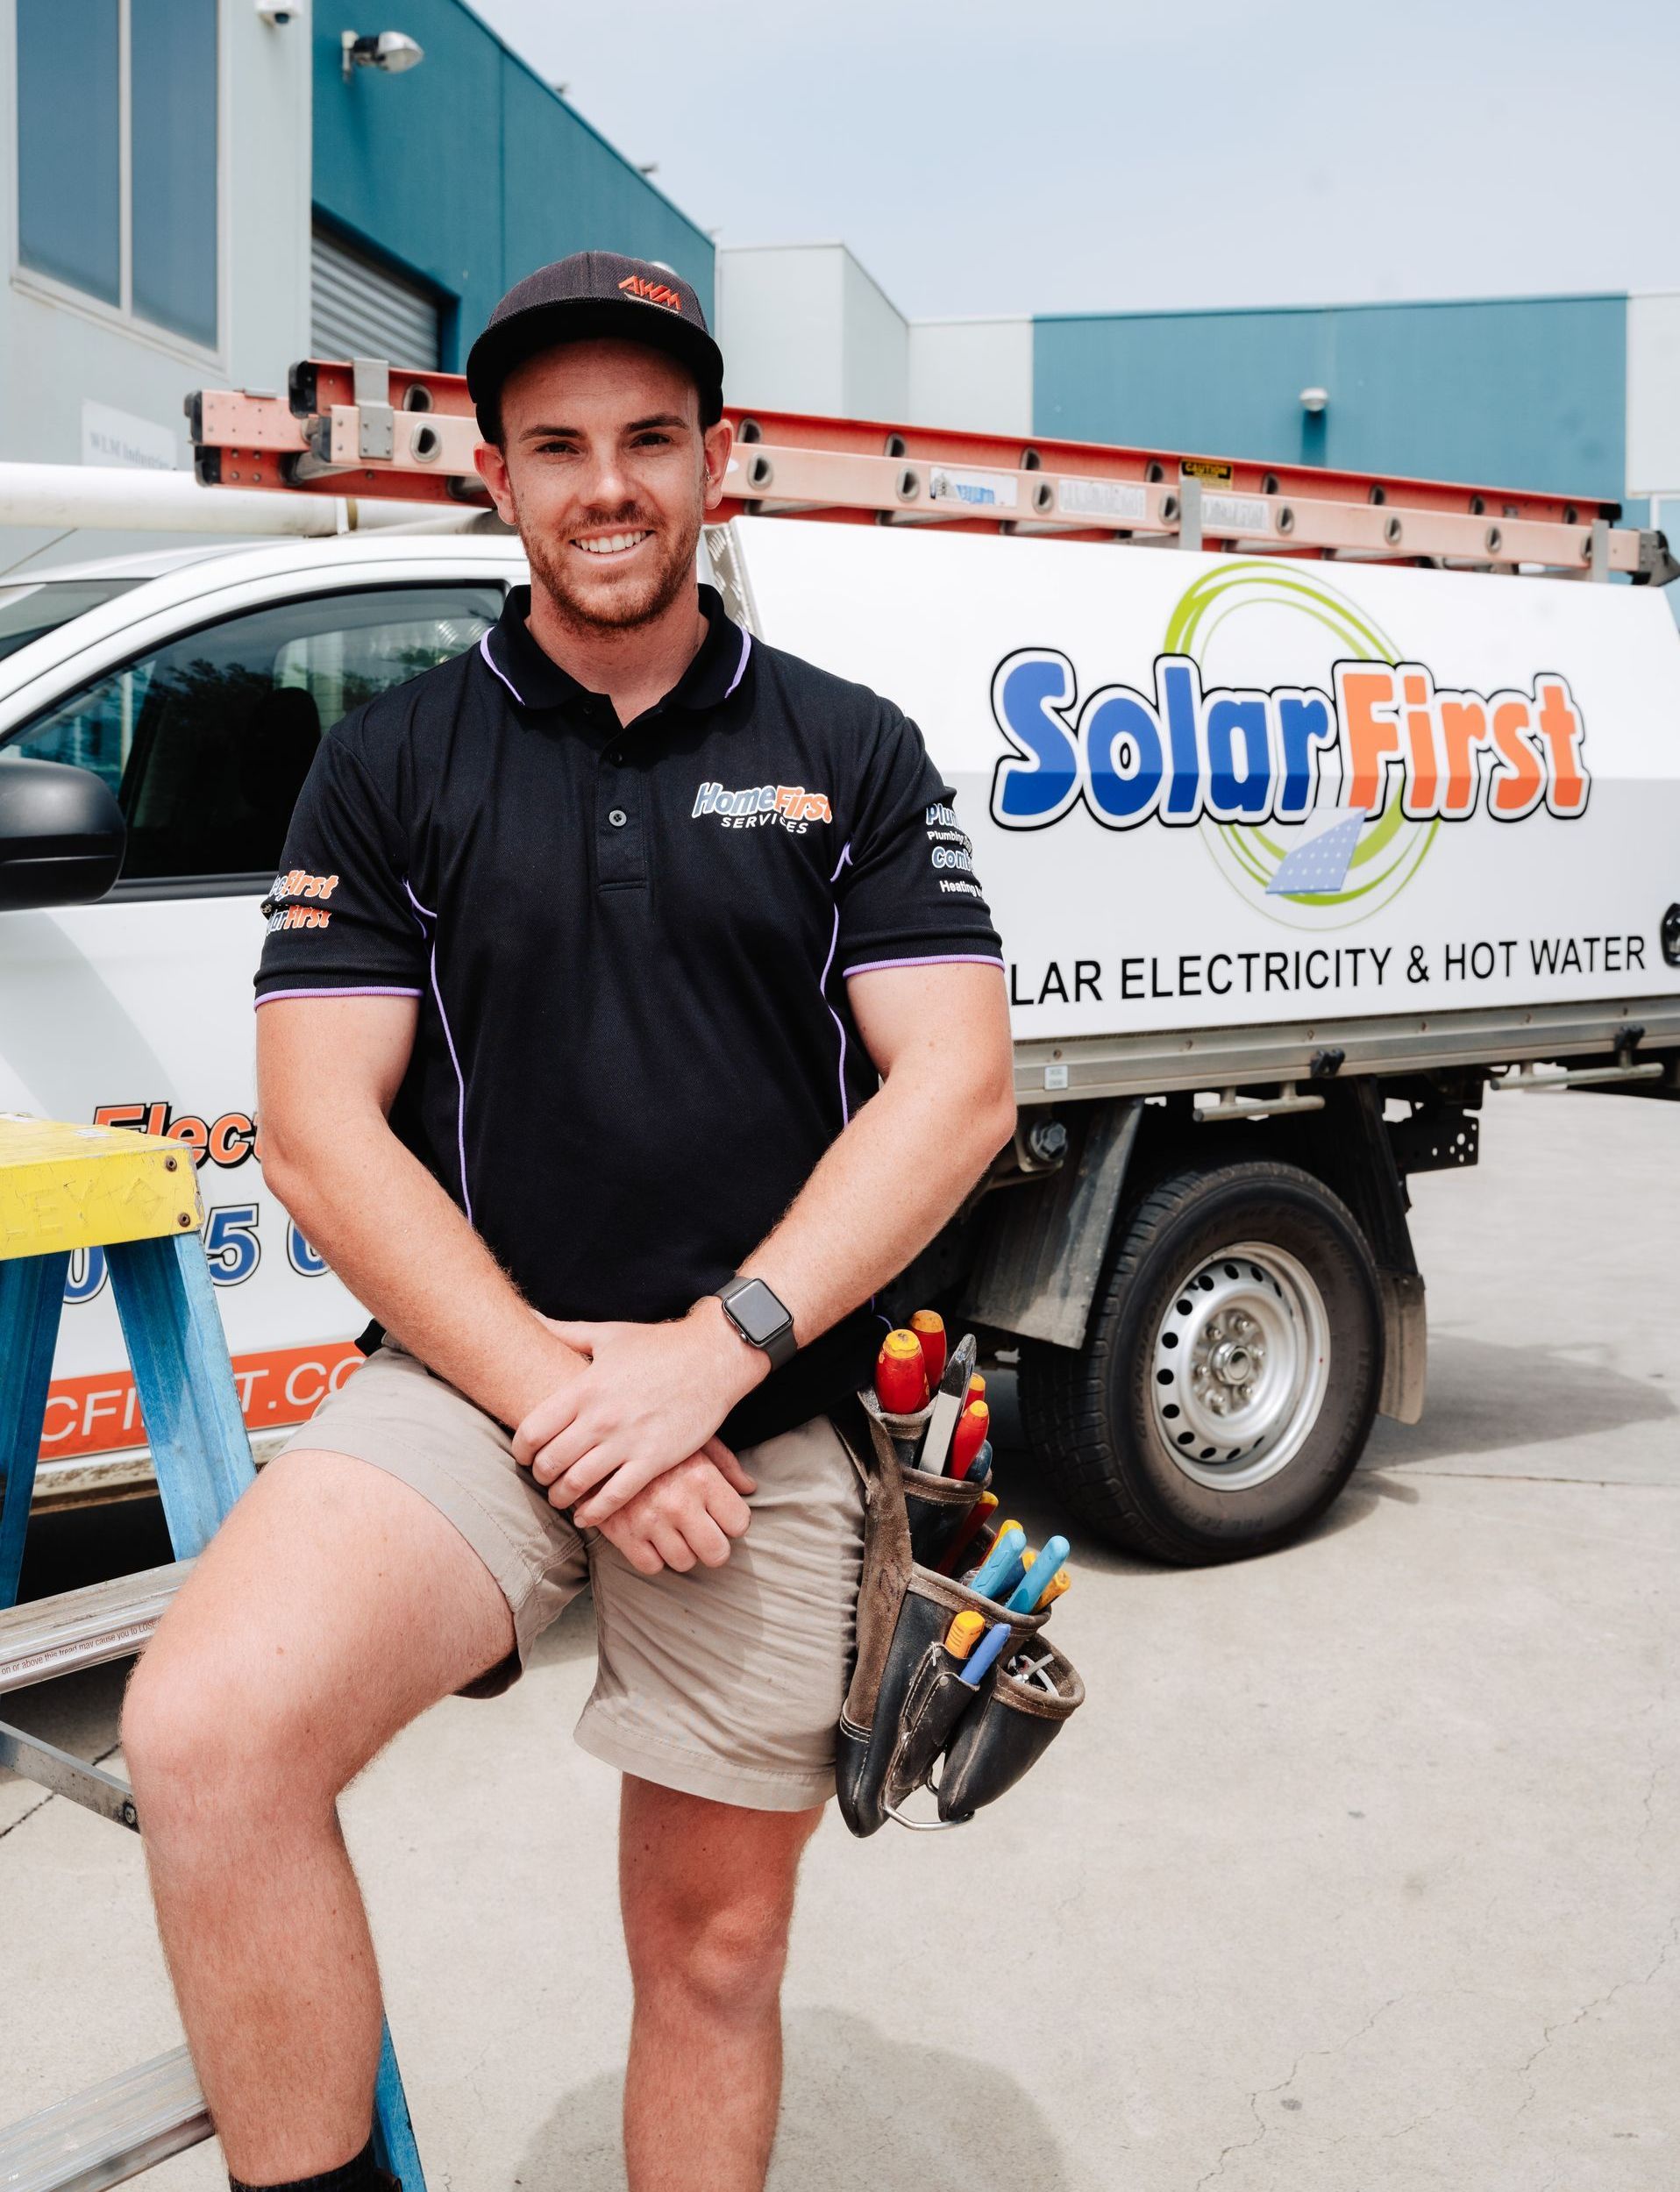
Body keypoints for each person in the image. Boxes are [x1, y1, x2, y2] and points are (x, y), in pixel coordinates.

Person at [120, 251, 1015, 2192]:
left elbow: (955, 1086)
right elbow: (318, 1134)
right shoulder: (389, 763)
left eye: (647, 440)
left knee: (713, 1954)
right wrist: (570, 1402)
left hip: (761, 1402)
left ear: (716, 461)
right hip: (476, 1377)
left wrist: (709, 1361)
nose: (607, 486)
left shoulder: (850, 748)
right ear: (496, 477)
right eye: (558, 447)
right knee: (206, 1734)